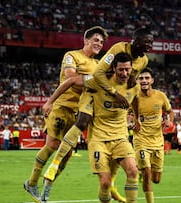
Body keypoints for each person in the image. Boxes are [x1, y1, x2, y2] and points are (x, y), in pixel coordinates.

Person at [43, 27, 153, 202]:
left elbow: (134, 81)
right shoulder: (118, 48)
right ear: (135, 40)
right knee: (82, 122)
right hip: (97, 84)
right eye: (146, 42)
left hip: (116, 123)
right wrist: (114, 92)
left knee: (127, 171)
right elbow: (97, 73)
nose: (150, 46)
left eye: (151, 43)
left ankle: (112, 189)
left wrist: (135, 111)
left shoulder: (143, 61)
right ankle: (55, 163)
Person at [23, 26, 109, 203]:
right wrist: (50, 102)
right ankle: (31, 183)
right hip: (63, 107)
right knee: (53, 144)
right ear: (86, 40)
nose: (99, 44)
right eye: (96, 40)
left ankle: (47, 188)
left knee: (67, 153)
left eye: (101, 42)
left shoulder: (98, 64)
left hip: (79, 113)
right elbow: (71, 77)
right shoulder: (71, 56)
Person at [86, 52, 140, 203]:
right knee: (105, 182)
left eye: (127, 69)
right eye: (121, 69)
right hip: (98, 139)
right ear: (114, 68)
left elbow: (135, 99)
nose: (125, 73)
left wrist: (137, 117)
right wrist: (51, 102)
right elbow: (73, 81)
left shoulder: (133, 86)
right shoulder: (99, 82)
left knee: (133, 171)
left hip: (120, 138)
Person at [133, 67, 174, 203]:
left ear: (152, 80)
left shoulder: (160, 96)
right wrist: (131, 122)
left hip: (157, 141)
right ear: (137, 80)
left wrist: (169, 121)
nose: (144, 80)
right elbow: (125, 114)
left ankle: (141, 172)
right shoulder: (134, 97)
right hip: (141, 140)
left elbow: (170, 112)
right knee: (147, 173)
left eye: (146, 78)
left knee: (156, 179)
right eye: (141, 78)